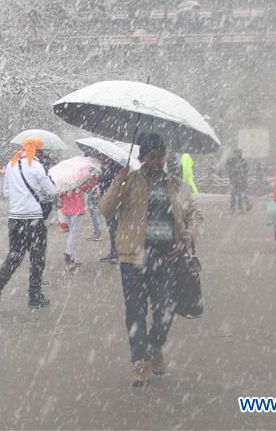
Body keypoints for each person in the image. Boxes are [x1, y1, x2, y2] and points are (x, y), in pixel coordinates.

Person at [100, 133, 202, 387]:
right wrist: (117, 184)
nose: (155, 161)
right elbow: (106, 209)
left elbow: (195, 216)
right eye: (150, 155)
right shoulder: (129, 182)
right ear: (141, 157)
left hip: (167, 256)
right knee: (135, 311)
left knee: (165, 310)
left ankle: (156, 346)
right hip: (133, 257)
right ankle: (139, 361)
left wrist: (188, 237)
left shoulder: (176, 185)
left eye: (159, 155)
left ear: (164, 157)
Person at [0, 137, 57, 312]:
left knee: (15, 256)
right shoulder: (37, 166)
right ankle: (34, 295)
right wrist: (40, 193)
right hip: (34, 218)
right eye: (41, 151)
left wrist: (20, 197)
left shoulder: (11, 165)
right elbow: (52, 192)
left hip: (15, 219)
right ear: (38, 151)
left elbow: (5, 192)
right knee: (37, 258)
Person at [59, 174, 99, 272]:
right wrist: (94, 177)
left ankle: (70, 255)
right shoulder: (78, 182)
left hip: (66, 210)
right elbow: (88, 186)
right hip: (76, 210)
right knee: (73, 233)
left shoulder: (63, 182)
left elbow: (60, 196)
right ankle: (68, 254)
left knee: (72, 233)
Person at [226, 148, 251, 214]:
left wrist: (243, 175)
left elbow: (246, 170)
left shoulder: (243, 161)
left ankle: (241, 209)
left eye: (239, 152)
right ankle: (232, 209)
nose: (237, 154)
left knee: (240, 195)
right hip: (233, 180)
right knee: (233, 195)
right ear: (234, 153)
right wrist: (232, 171)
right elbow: (227, 168)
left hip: (241, 180)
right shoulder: (230, 160)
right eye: (236, 152)